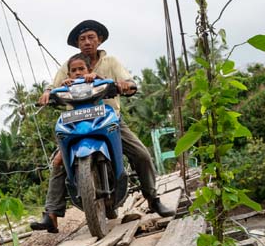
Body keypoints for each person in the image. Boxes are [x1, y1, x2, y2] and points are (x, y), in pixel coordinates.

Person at [31, 19, 174, 233]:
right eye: (82, 39)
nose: (87, 42)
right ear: (77, 44)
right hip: (76, 119)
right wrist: (47, 93)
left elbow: (128, 81)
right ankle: (51, 214)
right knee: (59, 161)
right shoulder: (70, 65)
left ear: (99, 40)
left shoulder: (110, 62)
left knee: (141, 154)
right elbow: (53, 86)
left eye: (91, 37)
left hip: (108, 118)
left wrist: (126, 85)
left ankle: (153, 198)